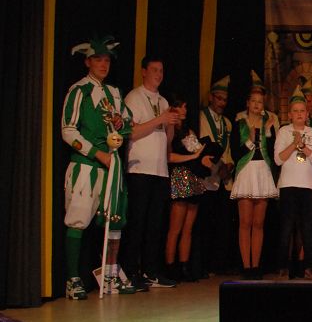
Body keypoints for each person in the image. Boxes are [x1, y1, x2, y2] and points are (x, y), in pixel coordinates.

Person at [60, 36, 137, 299]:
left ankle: (110, 275)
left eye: (107, 60)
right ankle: (72, 279)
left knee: (114, 220)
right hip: (87, 166)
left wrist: (120, 123)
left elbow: (127, 122)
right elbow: (68, 131)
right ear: (87, 62)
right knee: (78, 219)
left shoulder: (114, 93)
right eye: (98, 59)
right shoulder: (79, 90)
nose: (103, 65)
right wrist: (96, 153)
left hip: (112, 167)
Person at [119, 56, 182, 290]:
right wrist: (160, 119)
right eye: (154, 70)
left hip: (159, 170)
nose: (158, 74)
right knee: (137, 222)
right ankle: (130, 271)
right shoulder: (134, 97)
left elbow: (168, 139)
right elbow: (131, 132)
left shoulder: (163, 100)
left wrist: (171, 124)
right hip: (139, 169)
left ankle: (151, 271)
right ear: (144, 71)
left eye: (161, 70)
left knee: (155, 224)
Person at [165, 93, 218, 282]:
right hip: (180, 177)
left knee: (188, 227)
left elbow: (197, 152)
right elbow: (169, 156)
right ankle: (170, 267)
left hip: (194, 177)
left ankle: (184, 266)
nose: (184, 110)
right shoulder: (170, 129)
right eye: (181, 106)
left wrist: (204, 156)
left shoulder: (188, 131)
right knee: (175, 228)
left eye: (186, 107)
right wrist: (193, 157)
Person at [230, 84, 278, 279]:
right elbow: (235, 153)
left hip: (263, 172)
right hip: (246, 171)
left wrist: (267, 131)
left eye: (260, 102)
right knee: (245, 222)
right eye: (254, 101)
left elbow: (273, 152)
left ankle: (256, 267)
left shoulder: (269, 124)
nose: (257, 105)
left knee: (258, 223)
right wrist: (250, 140)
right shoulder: (239, 124)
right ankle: (246, 266)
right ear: (248, 103)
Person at [274, 87, 312, 280]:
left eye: (302, 111)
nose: (299, 114)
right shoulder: (283, 131)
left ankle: (308, 267)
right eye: (296, 111)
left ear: (307, 114)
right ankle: (283, 267)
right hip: (287, 185)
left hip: (307, 185)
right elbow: (278, 159)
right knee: (287, 227)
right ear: (290, 114)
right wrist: (294, 144)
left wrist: (303, 146)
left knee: (306, 228)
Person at [196, 74, 233, 277]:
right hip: (204, 175)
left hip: (222, 178)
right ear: (211, 97)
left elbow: (228, 150)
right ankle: (199, 265)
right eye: (218, 98)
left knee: (220, 223)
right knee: (203, 222)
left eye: (225, 100)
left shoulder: (227, 123)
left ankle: (217, 264)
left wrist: (229, 165)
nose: (222, 103)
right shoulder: (201, 117)